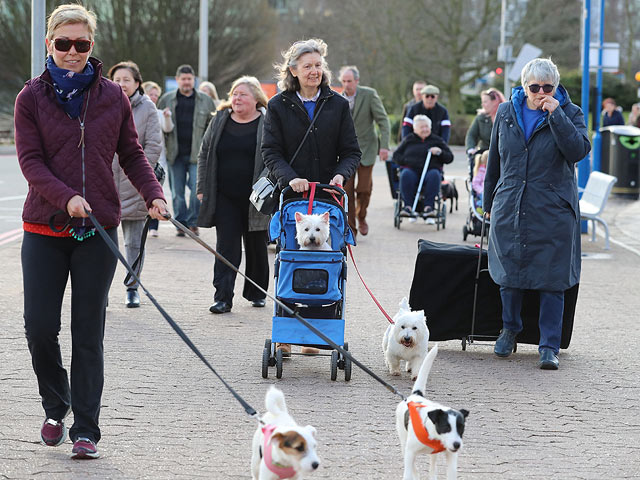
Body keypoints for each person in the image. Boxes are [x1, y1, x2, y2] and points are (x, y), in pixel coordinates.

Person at [14, 3, 168, 459]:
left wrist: (153, 193)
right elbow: (30, 162)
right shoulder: (31, 97)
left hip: (98, 229)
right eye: (63, 43)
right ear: (49, 44)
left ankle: (85, 429)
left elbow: (133, 153)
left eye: (82, 44)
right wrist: (66, 197)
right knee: (39, 328)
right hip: (44, 226)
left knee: (88, 331)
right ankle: (55, 403)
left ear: (92, 46)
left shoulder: (110, 96)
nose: (73, 52)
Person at [483, 57, 590, 370]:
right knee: (509, 275)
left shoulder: (570, 112)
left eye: (548, 87)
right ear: (523, 85)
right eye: (534, 87)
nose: (541, 92)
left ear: (555, 87)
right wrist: (489, 203)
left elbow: (578, 151)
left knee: (552, 279)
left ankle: (549, 346)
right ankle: (509, 331)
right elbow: (495, 163)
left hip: (552, 208)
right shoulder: (505, 112)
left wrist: (556, 115)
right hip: (511, 203)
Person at [262, 38, 361, 354]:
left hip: (327, 198)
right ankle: (286, 333)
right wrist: (291, 179)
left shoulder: (338, 104)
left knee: (325, 266)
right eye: (308, 66)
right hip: (293, 198)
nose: (315, 71)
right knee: (290, 261)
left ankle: (317, 332)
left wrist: (340, 175)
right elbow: (270, 152)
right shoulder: (278, 105)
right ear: (293, 70)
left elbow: (351, 151)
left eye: (319, 65)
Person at [196, 76, 271, 314]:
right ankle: (223, 297)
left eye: (243, 95)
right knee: (226, 247)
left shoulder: (267, 123)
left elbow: (274, 156)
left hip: (256, 198)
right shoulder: (220, 119)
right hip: (224, 196)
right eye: (234, 94)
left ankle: (257, 293)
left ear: (256, 99)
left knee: (256, 246)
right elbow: (204, 153)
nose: (237, 99)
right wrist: (201, 187)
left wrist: (265, 185)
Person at [108, 61, 162, 308]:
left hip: (135, 185)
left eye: (126, 79)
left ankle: (132, 287)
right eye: (117, 79)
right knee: (103, 246)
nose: (121, 84)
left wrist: (141, 174)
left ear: (137, 83)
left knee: (132, 244)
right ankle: (100, 292)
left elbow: (153, 145)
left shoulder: (148, 108)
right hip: (105, 185)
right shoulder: (103, 105)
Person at [157, 64, 215, 236]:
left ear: (194, 80)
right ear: (177, 80)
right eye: (183, 79)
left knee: (198, 191)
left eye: (189, 79)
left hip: (198, 154)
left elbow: (212, 127)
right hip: (174, 153)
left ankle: (193, 221)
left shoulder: (206, 100)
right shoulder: (166, 99)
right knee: (177, 193)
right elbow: (158, 125)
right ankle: (181, 224)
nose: (186, 82)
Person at [338, 65, 390, 236]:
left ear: (357, 81)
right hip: (345, 152)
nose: (347, 85)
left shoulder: (369, 95)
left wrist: (384, 146)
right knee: (347, 191)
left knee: (364, 189)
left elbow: (383, 120)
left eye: (350, 81)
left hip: (367, 149)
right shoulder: (337, 99)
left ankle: (362, 215)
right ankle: (351, 228)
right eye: (344, 81)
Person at [392, 114, 453, 219]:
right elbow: (396, 156)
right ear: (415, 129)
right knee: (406, 174)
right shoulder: (408, 140)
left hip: (430, 170)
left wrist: (440, 152)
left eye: (427, 127)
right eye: (422, 127)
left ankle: (429, 207)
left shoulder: (437, 140)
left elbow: (449, 157)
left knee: (434, 175)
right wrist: (407, 161)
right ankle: (408, 207)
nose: (425, 129)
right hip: (411, 170)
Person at [142, 80, 174, 238]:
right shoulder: (136, 111)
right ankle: (141, 222)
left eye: (156, 95)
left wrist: (167, 117)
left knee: (155, 192)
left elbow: (168, 128)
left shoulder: (160, 113)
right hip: (139, 160)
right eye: (151, 94)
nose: (154, 97)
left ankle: (153, 226)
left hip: (158, 161)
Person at [465, 88, 506, 155]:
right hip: (484, 154)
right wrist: (470, 149)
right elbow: (471, 135)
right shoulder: (480, 118)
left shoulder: (507, 117)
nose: (482, 105)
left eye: (485, 102)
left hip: (503, 155)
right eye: (482, 102)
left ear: (495, 101)